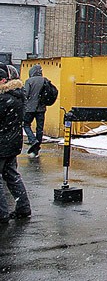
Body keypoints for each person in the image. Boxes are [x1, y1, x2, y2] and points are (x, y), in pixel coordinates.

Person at [0, 64, 32, 223]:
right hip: (12, 143)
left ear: (4, 80)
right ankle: (23, 208)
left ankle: (2, 213)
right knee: (12, 175)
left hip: (2, 144)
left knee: (7, 176)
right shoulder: (17, 95)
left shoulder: (3, 98)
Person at [23, 63, 47, 157]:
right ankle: (36, 149)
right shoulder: (45, 80)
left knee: (26, 124)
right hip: (41, 108)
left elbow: (26, 94)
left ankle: (33, 140)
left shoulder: (29, 81)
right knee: (39, 128)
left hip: (30, 108)